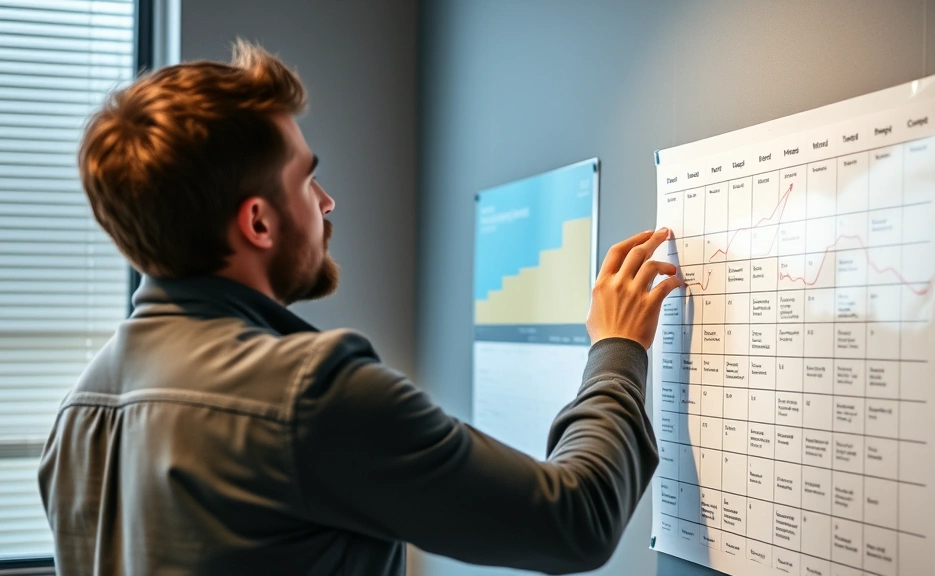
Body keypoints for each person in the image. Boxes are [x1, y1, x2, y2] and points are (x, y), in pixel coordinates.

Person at [37, 40, 682, 576]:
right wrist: (618, 348)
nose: (326, 202)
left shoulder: (77, 417)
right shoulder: (309, 393)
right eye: (305, 179)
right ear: (258, 223)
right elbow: (577, 521)